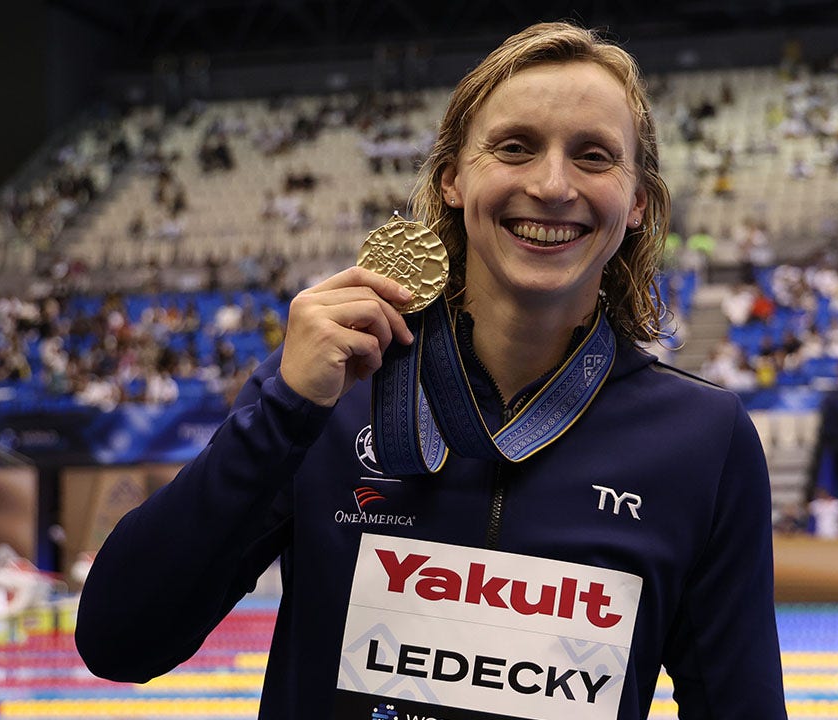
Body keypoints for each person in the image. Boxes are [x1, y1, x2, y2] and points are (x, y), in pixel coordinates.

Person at [76, 22, 787, 720]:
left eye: (594, 157)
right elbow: (120, 642)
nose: (551, 184)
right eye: (514, 147)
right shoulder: (333, 387)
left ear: (635, 203)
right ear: (452, 178)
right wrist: (284, 412)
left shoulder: (702, 438)